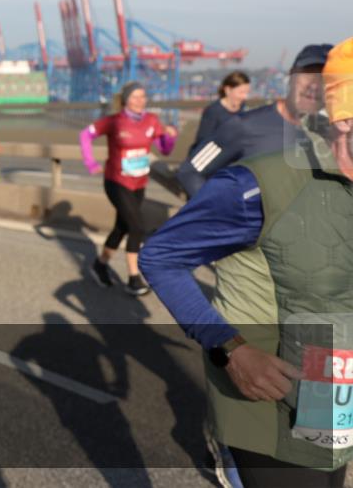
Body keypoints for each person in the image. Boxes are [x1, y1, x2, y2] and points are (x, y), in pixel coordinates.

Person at [140, 37, 353, 488]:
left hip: (334, 400)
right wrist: (230, 347)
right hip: (271, 401)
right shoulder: (253, 180)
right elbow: (161, 253)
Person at [177, 45, 332, 198]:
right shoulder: (244, 126)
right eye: (308, 74)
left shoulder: (337, 136)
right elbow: (189, 172)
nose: (314, 85)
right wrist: (223, 214)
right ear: (291, 76)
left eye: (325, 78)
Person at [78, 82, 177, 295]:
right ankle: (134, 278)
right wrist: (90, 163)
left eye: (143, 96)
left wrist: (171, 136)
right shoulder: (114, 121)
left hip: (139, 182)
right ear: (125, 100)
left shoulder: (152, 120)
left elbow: (165, 150)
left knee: (122, 227)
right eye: (135, 97)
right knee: (137, 227)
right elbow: (85, 135)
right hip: (116, 181)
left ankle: (100, 264)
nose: (140, 100)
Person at [187, 72, 250, 159]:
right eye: (241, 92)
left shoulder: (242, 108)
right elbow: (203, 141)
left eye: (247, 92)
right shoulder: (213, 111)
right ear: (228, 90)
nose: (245, 97)